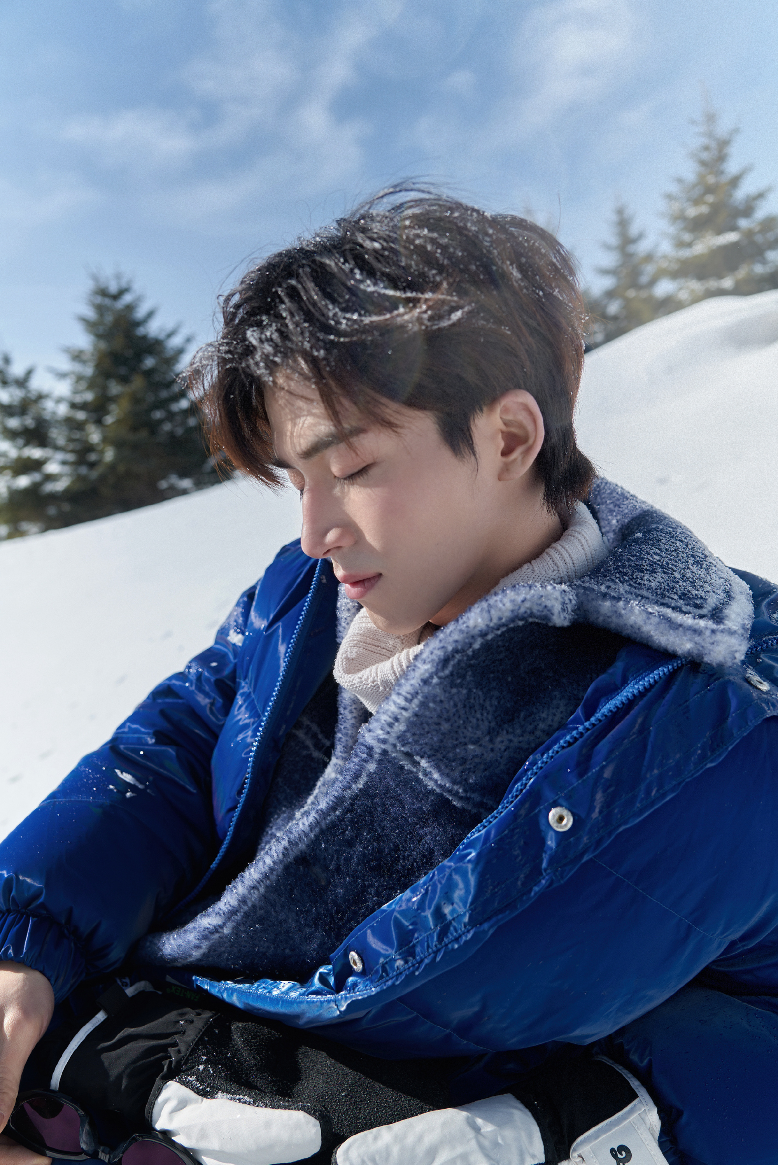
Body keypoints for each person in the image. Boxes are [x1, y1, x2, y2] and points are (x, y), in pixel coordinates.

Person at [1, 191, 777, 1165]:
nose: (313, 532)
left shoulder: (723, 711)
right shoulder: (303, 600)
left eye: (353, 467)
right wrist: (25, 934)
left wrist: (612, 1118)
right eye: (297, 480)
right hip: (146, 1078)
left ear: (508, 437)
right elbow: (178, 746)